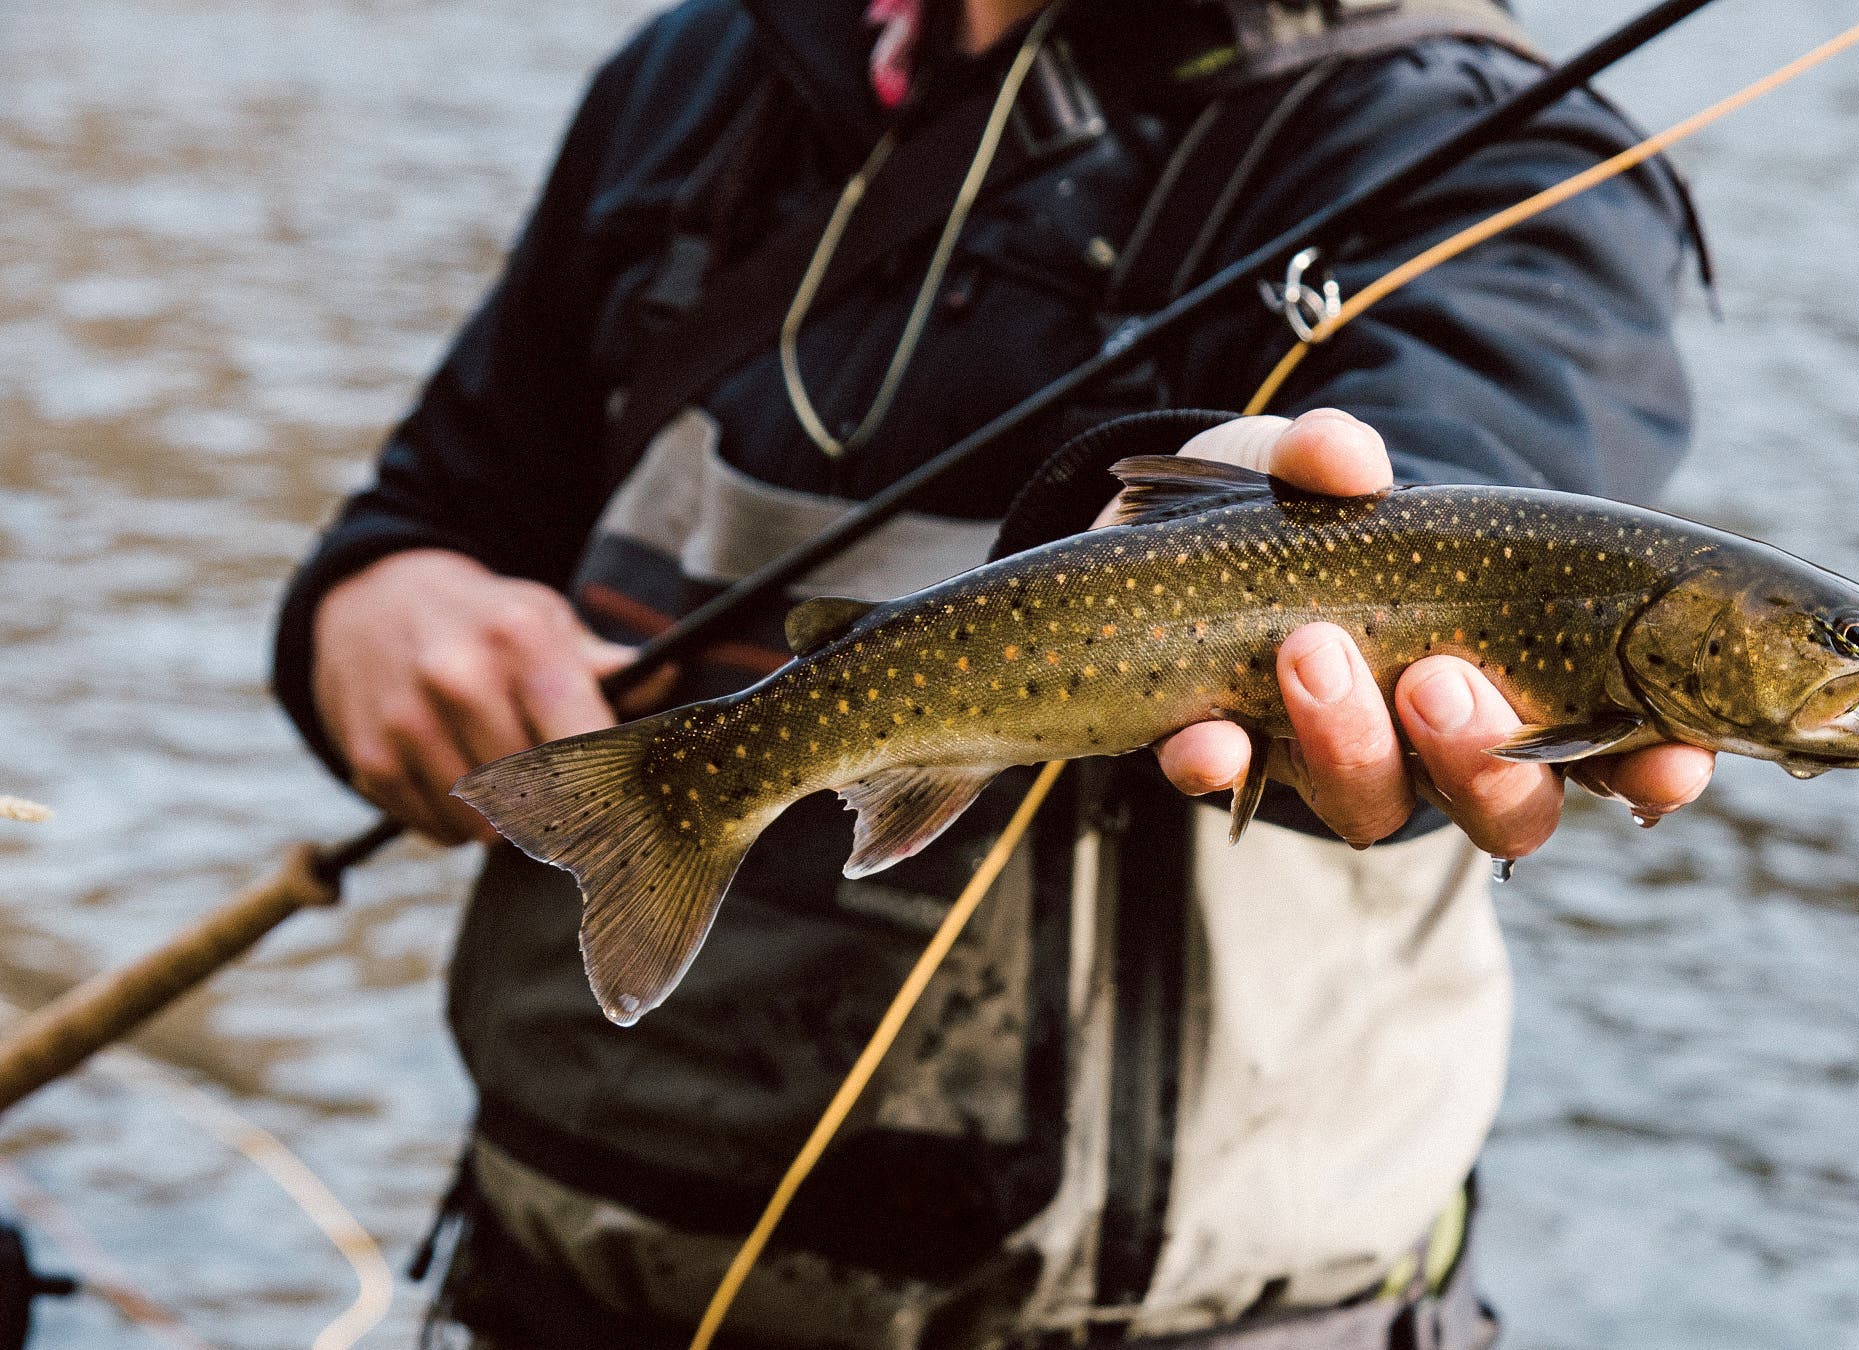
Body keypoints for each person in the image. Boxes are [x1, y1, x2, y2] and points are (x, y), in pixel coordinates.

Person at [273, 0, 1714, 1344]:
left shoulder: (1503, 155)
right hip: (550, 1283)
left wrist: (1223, 540)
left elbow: (1479, 479)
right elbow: (433, 508)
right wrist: (374, 613)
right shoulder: (695, 72)